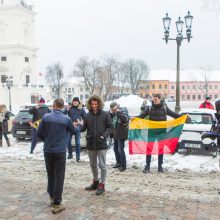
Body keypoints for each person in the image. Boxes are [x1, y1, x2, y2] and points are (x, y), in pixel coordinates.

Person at [37, 98, 79, 214]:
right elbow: (75, 131)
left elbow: (39, 133)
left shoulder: (46, 117)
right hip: (60, 151)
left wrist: (47, 139)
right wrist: (75, 126)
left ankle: (51, 195)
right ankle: (57, 203)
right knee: (59, 175)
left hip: (48, 150)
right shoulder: (66, 119)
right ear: (62, 106)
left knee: (50, 173)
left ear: (54, 105)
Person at [137, 93, 182, 173]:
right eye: (153, 99)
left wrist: (182, 117)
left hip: (161, 132)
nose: (154, 101)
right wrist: (135, 118)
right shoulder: (149, 108)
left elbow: (173, 114)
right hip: (151, 132)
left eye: (155, 99)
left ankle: (160, 167)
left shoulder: (164, 107)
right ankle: (147, 167)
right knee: (149, 149)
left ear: (160, 99)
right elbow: (142, 115)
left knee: (160, 150)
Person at [79, 95, 113, 196]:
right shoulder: (87, 115)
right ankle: (95, 182)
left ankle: (102, 184)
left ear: (99, 104)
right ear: (90, 104)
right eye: (92, 104)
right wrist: (79, 125)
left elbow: (111, 127)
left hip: (101, 144)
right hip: (90, 144)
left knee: (102, 165)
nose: (94, 106)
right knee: (93, 165)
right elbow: (84, 128)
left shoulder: (105, 114)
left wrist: (104, 135)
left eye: (96, 104)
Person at [63, 97, 86, 161]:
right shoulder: (69, 108)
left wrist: (81, 123)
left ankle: (78, 157)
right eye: (74, 101)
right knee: (68, 142)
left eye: (76, 101)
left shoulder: (81, 109)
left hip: (77, 127)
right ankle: (70, 155)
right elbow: (62, 114)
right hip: (70, 126)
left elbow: (85, 117)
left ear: (78, 102)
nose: (75, 102)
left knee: (78, 143)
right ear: (72, 102)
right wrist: (66, 109)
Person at [110, 102, 129, 172]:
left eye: (113, 109)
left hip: (121, 135)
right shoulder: (114, 113)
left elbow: (125, 119)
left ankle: (123, 165)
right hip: (116, 134)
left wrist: (118, 112)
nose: (112, 110)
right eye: (111, 109)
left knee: (120, 150)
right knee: (115, 149)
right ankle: (118, 162)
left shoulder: (123, 111)